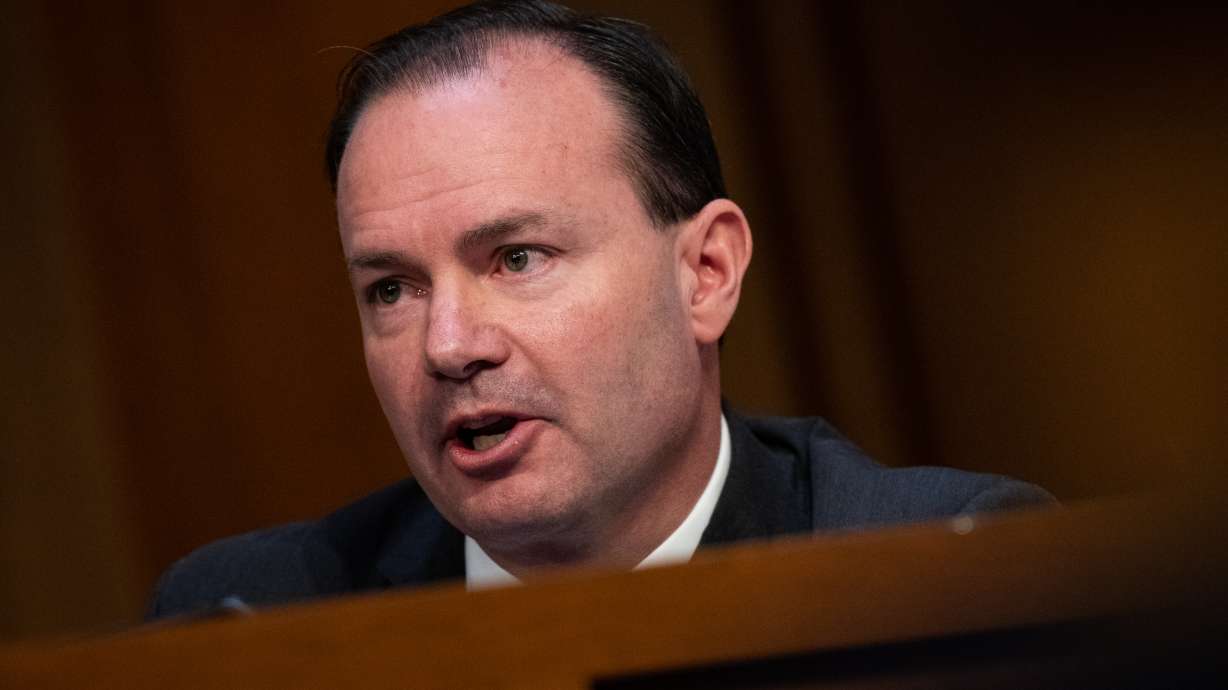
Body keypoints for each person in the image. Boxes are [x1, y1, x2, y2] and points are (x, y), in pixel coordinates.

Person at [148, 0, 1052, 619]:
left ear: (706, 273)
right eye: (392, 288)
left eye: (517, 258)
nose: (450, 346)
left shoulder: (946, 573)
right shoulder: (252, 622)